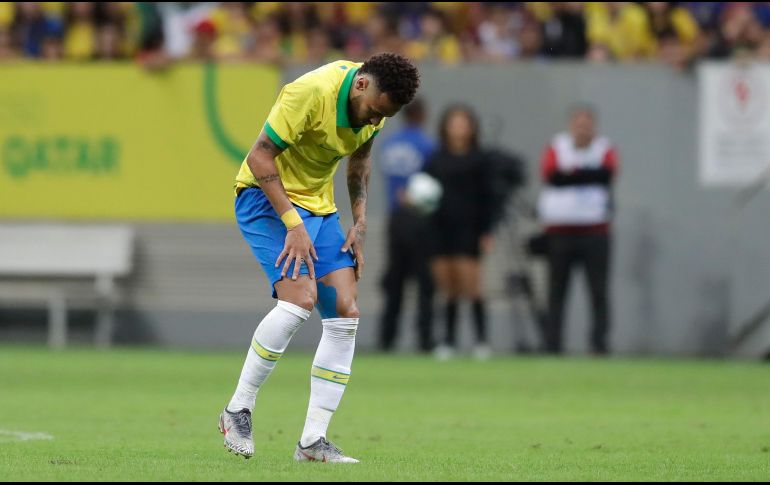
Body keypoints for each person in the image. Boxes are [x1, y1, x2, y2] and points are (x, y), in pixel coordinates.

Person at [221, 53, 420, 463]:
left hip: (318, 207)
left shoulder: (375, 110)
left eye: (382, 117)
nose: (373, 121)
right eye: (374, 112)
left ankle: (313, 442)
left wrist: (360, 222)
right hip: (264, 199)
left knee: (346, 312)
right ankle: (237, 409)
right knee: (299, 301)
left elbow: (360, 161)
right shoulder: (310, 92)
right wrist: (293, 225)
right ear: (361, 85)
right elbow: (260, 157)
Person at [537, 105, 619, 355]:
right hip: (560, 231)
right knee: (556, 290)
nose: (583, 128)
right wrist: (587, 175)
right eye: (578, 123)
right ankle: (553, 344)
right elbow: (552, 176)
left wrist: (571, 174)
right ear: (571, 125)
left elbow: (607, 174)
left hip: (595, 230)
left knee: (598, 290)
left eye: (587, 124)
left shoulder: (604, 148)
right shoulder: (556, 146)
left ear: (594, 126)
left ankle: (599, 344)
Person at [426, 105, 495, 361]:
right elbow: (423, 189)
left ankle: (481, 341)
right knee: (448, 287)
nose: (458, 127)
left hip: (469, 228)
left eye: (463, 122)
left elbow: (488, 198)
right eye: (453, 122)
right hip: (440, 227)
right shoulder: (435, 158)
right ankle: (448, 340)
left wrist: (487, 231)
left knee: (472, 286)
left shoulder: (480, 159)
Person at [377, 98, 436, 353]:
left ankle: (387, 338)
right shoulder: (427, 144)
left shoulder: (389, 143)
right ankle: (425, 339)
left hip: (395, 218)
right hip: (420, 218)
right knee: (425, 280)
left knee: (395, 279)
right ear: (422, 116)